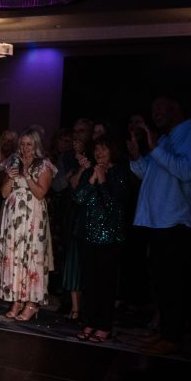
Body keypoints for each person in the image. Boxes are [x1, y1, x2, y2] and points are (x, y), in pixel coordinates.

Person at [128, 96, 191, 355]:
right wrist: (137, 156)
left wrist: (154, 148)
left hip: (178, 221)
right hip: (160, 221)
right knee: (163, 283)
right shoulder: (165, 139)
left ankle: (173, 336)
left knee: (175, 283)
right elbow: (148, 174)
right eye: (153, 109)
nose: (155, 113)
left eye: (161, 108)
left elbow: (186, 171)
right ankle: (165, 331)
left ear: (176, 108)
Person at [73, 135, 129, 343]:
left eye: (103, 148)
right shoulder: (90, 171)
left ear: (113, 150)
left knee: (105, 283)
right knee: (89, 283)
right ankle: (89, 322)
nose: (99, 152)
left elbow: (112, 204)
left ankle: (104, 325)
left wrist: (103, 180)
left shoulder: (119, 173)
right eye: (96, 149)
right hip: (86, 235)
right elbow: (78, 198)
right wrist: (92, 179)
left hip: (109, 237)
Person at [0, 129, 56, 321]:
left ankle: (32, 303)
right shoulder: (14, 161)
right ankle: (16, 299)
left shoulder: (44, 165)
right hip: (13, 218)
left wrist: (27, 175)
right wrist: (11, 177)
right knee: (15, 256)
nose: (25, 148)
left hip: (33, 218)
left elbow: (40, 193)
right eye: (22, 144)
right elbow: (4, 193)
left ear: (36, 145)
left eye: (29, 144)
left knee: (31, 257)